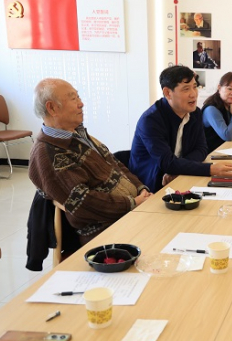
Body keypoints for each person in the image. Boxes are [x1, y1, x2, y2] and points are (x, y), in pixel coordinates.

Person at [28, 78, 151, 244]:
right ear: (52, 108)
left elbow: (116, 165)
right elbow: (84, 203)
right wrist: (132, 203)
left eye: (78, 97)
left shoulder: (77, 135)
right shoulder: (48, 154)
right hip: (106, 231)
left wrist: (141, 189)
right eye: (73, 99)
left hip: (131, 213)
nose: (81, 104)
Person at [129, 65, 232, 193]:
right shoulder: (151, 120)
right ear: (168, 93)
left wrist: (178, 169)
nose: (193, 94)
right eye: (186, 89)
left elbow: (202, 149)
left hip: (179, 178)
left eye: (195, 87)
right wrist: (210, 169)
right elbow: (167, 163)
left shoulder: (195, 114)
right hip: (150, 187)